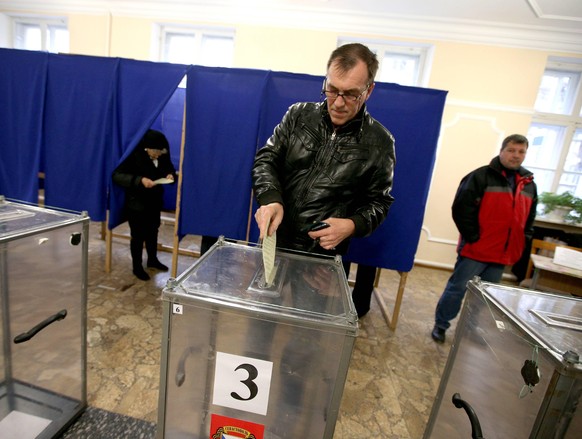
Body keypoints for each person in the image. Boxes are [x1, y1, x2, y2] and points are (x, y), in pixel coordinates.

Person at [251, 43, 396, 317]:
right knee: (260, 324)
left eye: (351, 94)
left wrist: (352, 225)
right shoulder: (297, 115)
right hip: (273, 243)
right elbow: (266, 159)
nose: (338, 103)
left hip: (320, 262)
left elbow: (379, 202)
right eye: (332, 90)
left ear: (369, 90)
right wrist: (270, 199)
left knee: (307, 338)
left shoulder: (380, 142)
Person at [431, 134, 537, 343]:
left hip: (502, 255)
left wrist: (522, 241)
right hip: (476, 250)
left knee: (484, 297)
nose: (516, 155)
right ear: (502, 151)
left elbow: (529, 219)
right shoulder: (480, 176)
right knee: (457, 288)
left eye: (521, 151)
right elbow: (461, 209)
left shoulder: (529, 184)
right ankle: (441, 325)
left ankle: (471, 328)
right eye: (511, 150)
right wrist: (473, 237)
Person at [112, 129, 177, 281]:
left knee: (153, 231)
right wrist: (140, 180)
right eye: (156, 152)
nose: (160, 154)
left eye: (162, 151)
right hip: (137, 203)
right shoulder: (133, 155)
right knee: (138, 236)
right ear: (147, 148)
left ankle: (152, 260)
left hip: (154, 202)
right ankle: (137, 267)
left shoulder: (162, 154)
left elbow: (170, 169)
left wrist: (170, 175)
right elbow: (117, 176)